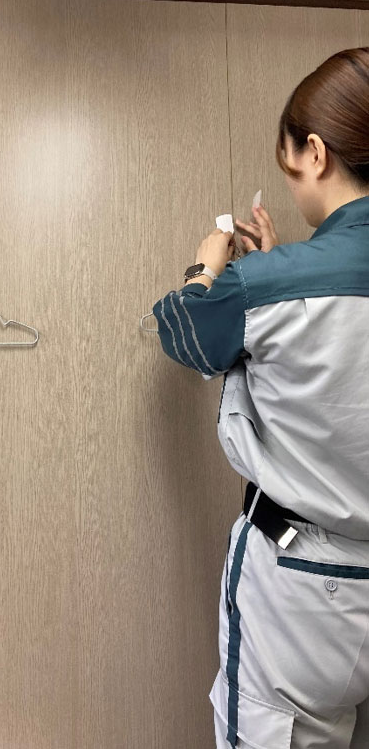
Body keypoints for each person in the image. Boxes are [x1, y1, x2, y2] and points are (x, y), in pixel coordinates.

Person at [152, 46, 369, 748]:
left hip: (303, 588)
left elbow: (185, 334)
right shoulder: (283, 277)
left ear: (316, 152)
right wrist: (283, 264)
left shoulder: (269, 283)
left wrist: (206, 268)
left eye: (291, 164)